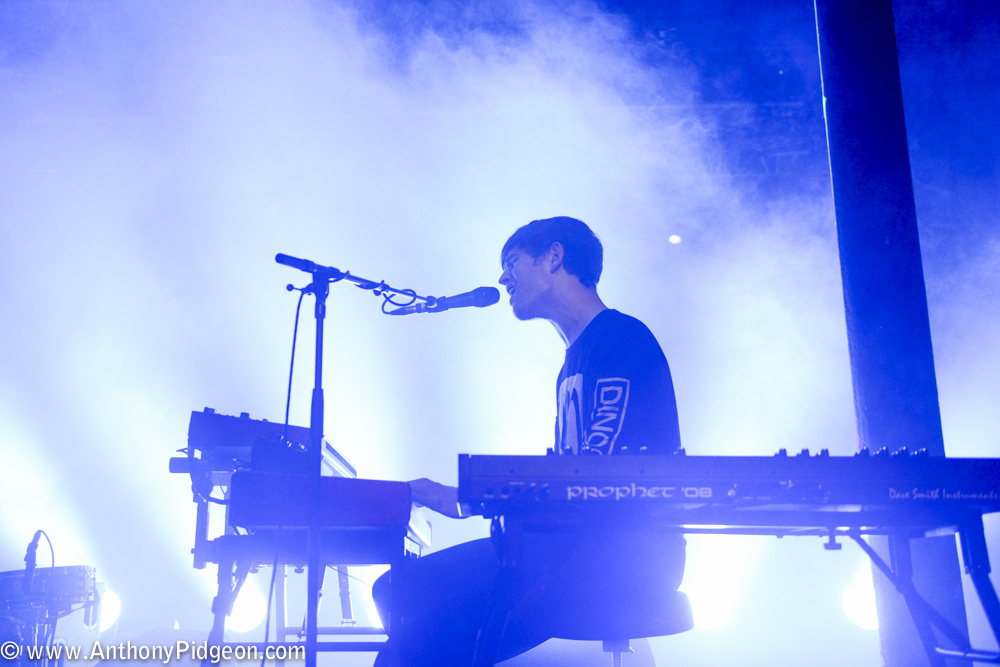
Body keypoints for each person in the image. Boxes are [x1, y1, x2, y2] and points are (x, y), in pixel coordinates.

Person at [374, 216, 686, 667]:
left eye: (511, 262)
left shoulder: (620, 340)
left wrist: (470, 496)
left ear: (553, 257)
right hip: (569, 547)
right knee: (396, 591)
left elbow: (596, 474)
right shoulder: (573, 359)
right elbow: (569, 480)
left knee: (412, 644)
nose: (502, 278)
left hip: (622, 552)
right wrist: (471, 499)